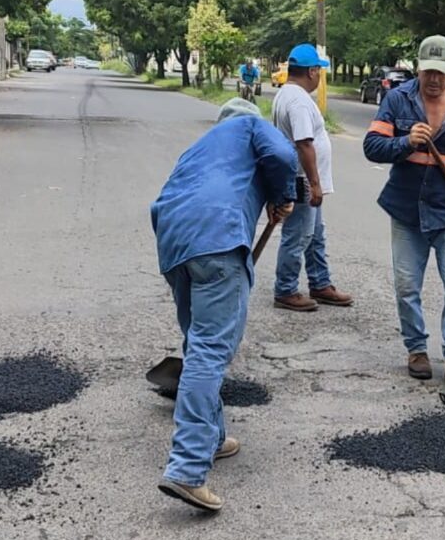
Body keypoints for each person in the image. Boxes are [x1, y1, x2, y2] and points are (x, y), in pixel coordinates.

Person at [151, 98, 298, 511]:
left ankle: (212, 439)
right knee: (210, 352)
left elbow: (160, 202)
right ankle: (186, 468)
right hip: (218, 241)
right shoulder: (250, 127)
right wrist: (283, 195)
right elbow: (285, 154)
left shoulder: (200, 147)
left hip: (173, 242)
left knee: (197, 344)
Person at [363, 35, 445, 386]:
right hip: (407, 211)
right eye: (428, 72)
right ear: (418, 69)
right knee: (407, 286)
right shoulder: (397, 100)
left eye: (441, 73)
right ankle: (417, 349)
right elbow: (372, 146)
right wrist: (406, 141)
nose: (434, 80)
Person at [272, 43, 353, 311]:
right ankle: (285, 290)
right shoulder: (298, 101)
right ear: (311, 71)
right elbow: (304, 143)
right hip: (302, 179)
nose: (320, 77)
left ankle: (320, 283)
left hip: (303, 178)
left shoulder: (288, 94)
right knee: (298, 235)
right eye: (319, 71)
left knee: (315, 234)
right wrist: (314, 184)